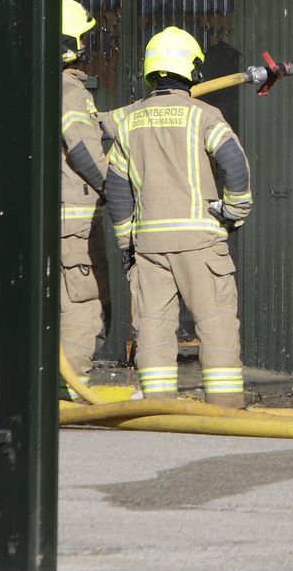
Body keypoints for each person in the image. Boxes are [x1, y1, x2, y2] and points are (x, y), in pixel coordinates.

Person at [105, 27, 253, 407]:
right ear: (193, 70)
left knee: (153, 327)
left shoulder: (130, 121)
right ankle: (224, 406)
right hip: (199, 242)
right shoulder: (204, 115)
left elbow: (117, 186)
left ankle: (158, 407)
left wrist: (127, 243)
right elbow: (234, 163)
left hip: (149, 246)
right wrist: (234, 210)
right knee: (215, 322)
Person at [58, 0, 110, 395]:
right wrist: (114, 187)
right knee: (83, 305)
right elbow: (81, 148)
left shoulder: (40, 85)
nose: (86, 46)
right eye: (82, 38)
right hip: (74, 221)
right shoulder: (68, 90)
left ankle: (53, 385)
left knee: (59, 304)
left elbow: (86, 128)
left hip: (53, 216)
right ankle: (71, 389)